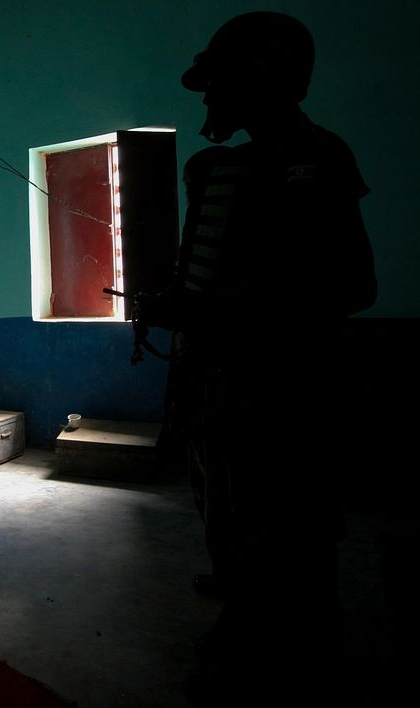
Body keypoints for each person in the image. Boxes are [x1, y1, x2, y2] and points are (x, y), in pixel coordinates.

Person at [137, 11, 378, 705]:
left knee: (295, 533)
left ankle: (298, 656)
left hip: (285, 390)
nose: (207, 100)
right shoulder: (213, 168)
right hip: (213, 382)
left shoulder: (319, 158)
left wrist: (215, 311)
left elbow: (352, 287)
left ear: (261, 79)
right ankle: (245, 621)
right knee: (224, 513)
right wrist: (177, 308)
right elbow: (202, 277)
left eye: (219, 85)